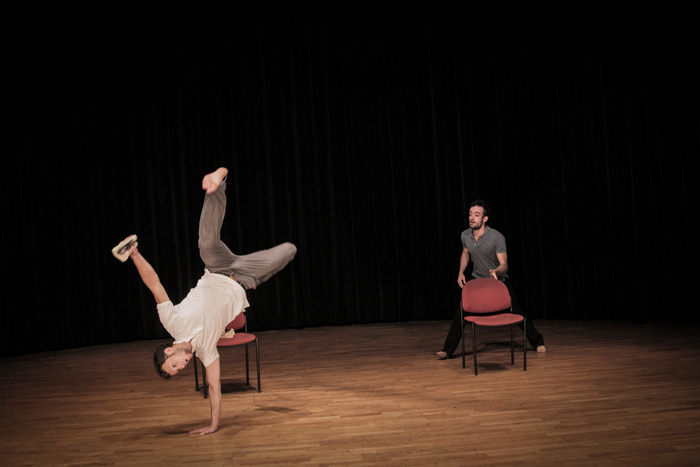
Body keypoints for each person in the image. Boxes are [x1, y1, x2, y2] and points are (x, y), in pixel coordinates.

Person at [121, 167, 296, 435]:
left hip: (217, 267)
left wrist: (134, 254)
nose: (182, 366)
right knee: (289, 250)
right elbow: (214, 386)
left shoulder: (172, 321)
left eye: (175, 365)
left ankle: (218, 180)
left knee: (206, 243)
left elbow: (154, 283)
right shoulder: (206, 352)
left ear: (169, 351)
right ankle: (220, 188)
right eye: (179, 370)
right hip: (244, 278)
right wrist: (213, 425)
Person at [437, 199, 545, 360]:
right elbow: (465, 253)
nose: (472, 218)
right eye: (470, 214)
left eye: (477, 215)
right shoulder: (465, 235)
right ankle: (448, 350)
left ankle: (537, 342)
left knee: (516, 312)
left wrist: (496, 271)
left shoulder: (496, 237)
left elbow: (504, 265)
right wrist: (461, 272)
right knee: (461, 313)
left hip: (498, 280)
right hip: (477, 278)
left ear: (485, 219)